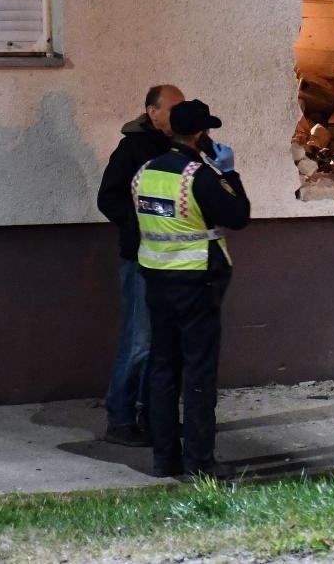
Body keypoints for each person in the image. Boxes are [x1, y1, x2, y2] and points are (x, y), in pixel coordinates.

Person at [134, 99, 249, 479]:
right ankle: (200, 461)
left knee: (163, 367)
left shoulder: (146, 171)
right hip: (196, 280)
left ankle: (163, 458)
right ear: (200, 134)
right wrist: (229, 173)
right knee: (199, 373)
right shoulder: (199, 176)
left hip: (155, 278)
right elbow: (238, 216)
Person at [94, 84, 184, 446]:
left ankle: (153, 416)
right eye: (173, 107)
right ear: (152, 111)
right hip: (140, 258)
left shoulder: (179, 148)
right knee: (139, 340)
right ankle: (119, 419)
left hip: (173, 259)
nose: (179, 114)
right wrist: (140, 227)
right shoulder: (132, 149)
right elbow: (108, 198)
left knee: (163, 341)